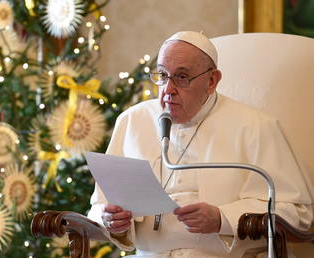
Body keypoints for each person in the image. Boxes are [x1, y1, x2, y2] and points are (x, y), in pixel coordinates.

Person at [87, 31, 313, 257]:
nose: (168, 89)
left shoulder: (255, 126)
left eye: (182, 77)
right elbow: (98, 207)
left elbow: (297, 214)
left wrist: (222, 218)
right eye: (163, 75)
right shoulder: (132, 121)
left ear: (212, 80)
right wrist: (110, 220)